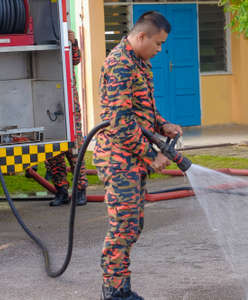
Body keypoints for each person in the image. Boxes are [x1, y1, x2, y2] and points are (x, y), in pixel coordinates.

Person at [93, 11, 183, 300]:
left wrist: (162, 124)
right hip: (118, 159)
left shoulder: (139, 63)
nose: (159, 50)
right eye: (158, 44)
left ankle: (121, 287)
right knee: (123, 225)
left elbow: (142, 108)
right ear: (141, 36)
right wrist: (150, 155)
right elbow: (120, 120)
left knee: (133, 225)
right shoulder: (119, 64)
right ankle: (115, 292)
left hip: (131, 157)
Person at [45, 29, 88, 206]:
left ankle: (80, 191)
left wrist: (74, 42)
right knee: (53, 150)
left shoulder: (67, 39)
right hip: (47, 103)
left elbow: (75, 60)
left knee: (75, 150)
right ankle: (61, 191)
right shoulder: (44, 41)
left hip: (69, 104)